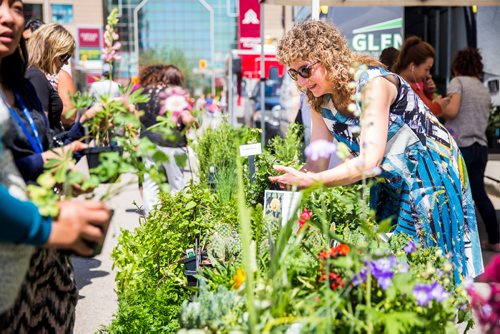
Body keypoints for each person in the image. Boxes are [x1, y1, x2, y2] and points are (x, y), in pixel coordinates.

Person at [270, 20, 483, 284]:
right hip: (391, 177)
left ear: (328, 56)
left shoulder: (373, 84)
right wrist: (291, 180)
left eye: (305, 70)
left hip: (430, 173)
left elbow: (369, 160)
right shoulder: (317, 98)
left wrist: (312, 181)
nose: (301, 82)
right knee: (389, 267)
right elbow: (317, 162)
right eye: (294, 74)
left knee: (430, 269)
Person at [0, 3, 110, 331]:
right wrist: (46, 228)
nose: (7, 16)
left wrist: (80, 134)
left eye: (16, 6)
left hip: (44, 255)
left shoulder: (22, 86)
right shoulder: (35, 78)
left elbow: (43, 143)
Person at [441, 48, 500, 252]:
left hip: (462, 146)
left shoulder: (458, 83)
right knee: (479, 194)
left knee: (454, 193)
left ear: (457, 65)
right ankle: (494, 239)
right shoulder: (482, 88)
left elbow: (452, 110)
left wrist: (440, 103)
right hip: (480, 147)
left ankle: (454, 243)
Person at [138, 64, 196, 214]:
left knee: (150, 184)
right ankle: (177, 218)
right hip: (171, 144)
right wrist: (194, 121)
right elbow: (186, 118)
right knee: (176, 183)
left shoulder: (143, 93)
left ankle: (152, 220)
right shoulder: (175, 95)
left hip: (147, 143)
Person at [393, 36, 450, 117]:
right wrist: (438, 107)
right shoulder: (404, 89)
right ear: (412, 66)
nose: (428, 75)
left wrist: (428, 93)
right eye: (426, 69)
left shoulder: (407, 86)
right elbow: (421, 118)